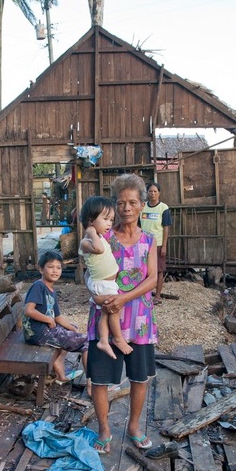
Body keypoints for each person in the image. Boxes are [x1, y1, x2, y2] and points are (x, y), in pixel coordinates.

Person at [88, 173, 163, 456]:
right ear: (114, 206)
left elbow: (152, 278)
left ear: (143, 205)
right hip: (105, 316)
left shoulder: (149, 240)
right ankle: (104, 428)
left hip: (139, 320)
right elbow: (88, 270)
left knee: (139, 377)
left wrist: (124, 298)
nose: (126, 208)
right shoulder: (103, 236)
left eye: (132, 202)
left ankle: (133, 426)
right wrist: (98, 296)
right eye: (120, 203)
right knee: (100, 379)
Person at [79, 195, 134, 360]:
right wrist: (90, 231)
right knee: (114, 310)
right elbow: (99, 249)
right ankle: (117, 338)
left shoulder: (99, 237)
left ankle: (103, 340)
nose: (109, 223)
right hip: (101, 284)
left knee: (106, 312)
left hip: (106, 284)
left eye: (111, 219)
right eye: (105, 219)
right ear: (90, 221)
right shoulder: (87, 241)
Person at [23, 250, 87, 383]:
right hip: (39, 333)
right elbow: (28, 310)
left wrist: (73, 329)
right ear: (41, 269)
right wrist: (48, 319)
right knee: (88, 342)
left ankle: (59, 362)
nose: (55, 271)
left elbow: (57, 317)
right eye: (51, 267)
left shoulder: (52, 291)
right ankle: (92, 384)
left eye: (58, 268)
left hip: (44, 331)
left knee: (72, 328)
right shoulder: (38, 286)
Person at [140, 181, 172, 297]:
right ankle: (144, 294)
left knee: (159, 270)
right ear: (147, 193)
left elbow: (166, 228)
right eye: (150, 191)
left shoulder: (163, 208)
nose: (152, 193)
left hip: (157, 244)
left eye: (155, 191)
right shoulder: (142, 207)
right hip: (143, 244)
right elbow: (138, 225)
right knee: (143, 269)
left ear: (159, 193)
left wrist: (164, 246)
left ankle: (157, 296)